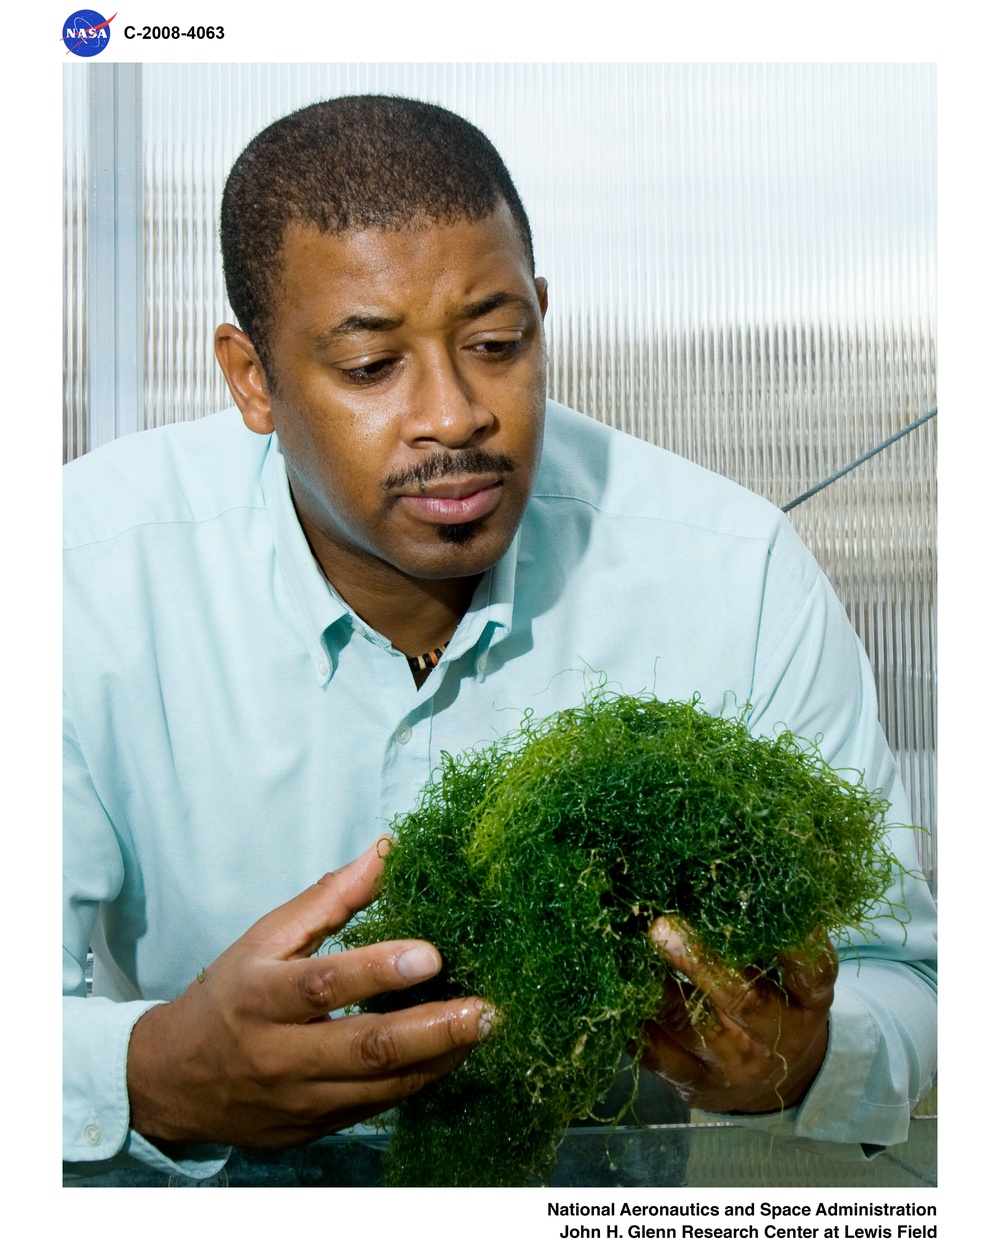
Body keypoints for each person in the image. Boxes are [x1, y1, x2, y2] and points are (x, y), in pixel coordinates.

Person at [63, 95, 937, 1183]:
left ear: (540, 315)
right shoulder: (76, 570)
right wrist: (153, 1071)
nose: (455, 414)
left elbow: (907, 982)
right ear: (253, 378)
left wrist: (803, 1054)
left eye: (495, 342)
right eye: (372, 366)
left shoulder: (728, 566)